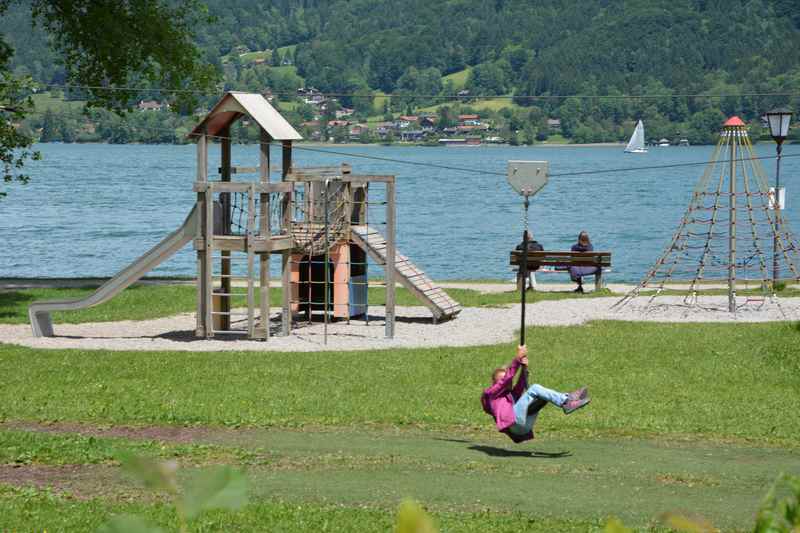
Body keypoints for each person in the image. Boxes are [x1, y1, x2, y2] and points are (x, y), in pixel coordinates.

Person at [480, 345, 590, 443]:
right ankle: (566, 401)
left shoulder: (510, 395)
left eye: (506, 379)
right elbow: (506, 379)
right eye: (501, 380)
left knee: (542, 396)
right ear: (494, 383)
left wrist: (524, 369)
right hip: (514, 423)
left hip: (523, 428)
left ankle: (568, 399)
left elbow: (519, 387)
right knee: (535, 388)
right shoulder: (490, 394)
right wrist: (517, 359)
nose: (506, 381)